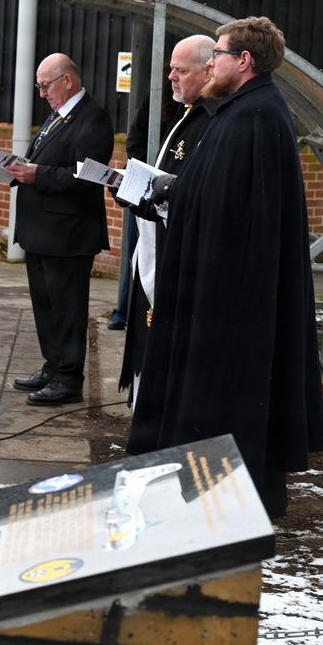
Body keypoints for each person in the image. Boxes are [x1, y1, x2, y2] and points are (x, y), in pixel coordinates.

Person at [127, 17, 323, 519]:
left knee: (224, 404)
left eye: (217, 53)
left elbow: (241, 221)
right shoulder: (238, 112)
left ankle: (221, 504)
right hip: (219, 294)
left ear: (244, 61)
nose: (210, 61)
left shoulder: (255, 118)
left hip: (229, 304)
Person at [5, 54, 115, 406]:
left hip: (68, 234)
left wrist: (38, 174)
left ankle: (69, 378)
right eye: (39, 86)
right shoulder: (58, 115)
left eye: (45, 85)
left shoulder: (92, 118)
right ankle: (53, 366)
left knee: (67, 309)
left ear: (67, 80)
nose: (41, 93)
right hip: (41, 231)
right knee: (46, 306)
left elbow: (87, 177)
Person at [117, 36, 216, 403]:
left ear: (209, 70)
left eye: (180, 70)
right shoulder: (185, 110)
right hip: (153, 238)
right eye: (170, 68)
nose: (171, 77)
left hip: (175, 249)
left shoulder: (210, 118)